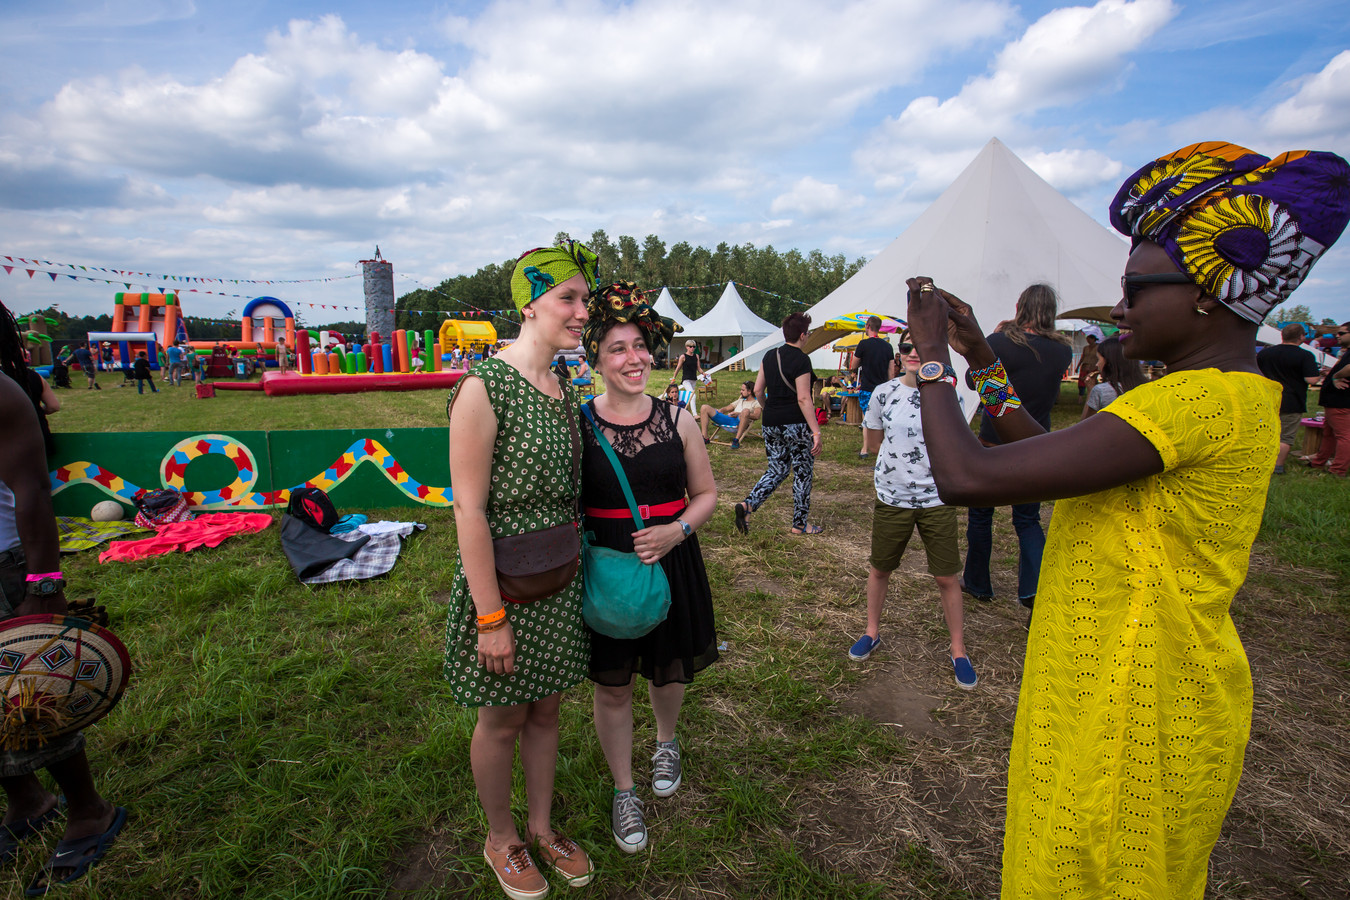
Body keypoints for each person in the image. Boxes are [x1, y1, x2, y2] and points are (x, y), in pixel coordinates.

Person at [904, 141, 1350, 899]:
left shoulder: (1195, 400)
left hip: (1133, 706)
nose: (1118, 309)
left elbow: (966, 475)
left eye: (1136, 289)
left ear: (1207, 294)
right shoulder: (1216, 396)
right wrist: (978, 352)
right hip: (1122, 681)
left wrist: (929, 361)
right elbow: (1046, 453)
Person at [444, 240, 598, 899]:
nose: (582, 312)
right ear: (529, 304)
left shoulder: (561, 386)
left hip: (559, 580)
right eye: (569, 298)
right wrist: (491, 618)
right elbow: (470, 512)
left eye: (585, 299)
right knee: (502, 718)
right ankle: (501, 837)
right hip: (503, 586)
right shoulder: (484, 387)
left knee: (547, 711)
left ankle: (541, 826)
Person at [577, 281, 717, 855]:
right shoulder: (577, 426)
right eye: (617, 348)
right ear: (597, 358)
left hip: (672, 560)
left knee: (669, 669)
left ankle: (665, 742)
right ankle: (624, 788)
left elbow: (706, 494)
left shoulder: (679, 419)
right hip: (608, 566)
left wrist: (677, 529)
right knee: (612, 685)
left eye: (639, 345)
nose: (633, 358)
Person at [0, 301, 125, 894]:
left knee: (36, 693)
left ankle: (86, 809)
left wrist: (40, 587)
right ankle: (25, 800)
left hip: (8, 566)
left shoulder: (3, 392)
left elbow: (32, 494)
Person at [848, 336, 975, 687]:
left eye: (920, 345)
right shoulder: (883, 393)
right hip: (893, 496)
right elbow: (873, 442)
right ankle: (872, 632)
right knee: (880, 568)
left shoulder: (947, 392)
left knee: (947, 576)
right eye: (906, 348)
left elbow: (958, 439)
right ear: (898, 355)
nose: (914, 353)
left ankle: (958, 649)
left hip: (937, 498)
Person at [959, 283, 1073, 612]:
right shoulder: (1062, 350)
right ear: (1051, 310)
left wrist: (993, 340)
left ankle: (978, 582)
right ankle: (1033, 589)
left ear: (1020, 305)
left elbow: (974, 381)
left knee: (981, 517)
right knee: (1027, 520)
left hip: (994, 440)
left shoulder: (1000, 342)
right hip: (1036, 442)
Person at [734, 312, 823, 536]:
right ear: (802, 335)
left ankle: (748, 505)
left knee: (777, 468)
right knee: (802, 472)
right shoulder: (802, 359)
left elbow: (757, 391)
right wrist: (816, 431)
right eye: (808, 333)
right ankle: (800, 524)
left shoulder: (769, 356)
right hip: (795, 423)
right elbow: (804, 398)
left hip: (771, 422)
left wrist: (768, 409)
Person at [1257, 324, 1321, 473]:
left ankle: (1260, 461)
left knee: (1264, 432)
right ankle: (1277, 466)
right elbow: (1311, 380)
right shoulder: (1305, 355)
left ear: (1282, 336)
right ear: (1301, 337)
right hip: (1291, 400)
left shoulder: (1265, 353)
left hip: (1266, 398)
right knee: (1285, 436)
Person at [1304, 321, 1350, 477]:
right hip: (1334, 401)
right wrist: (1331, 373)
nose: (1338, 336)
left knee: (1344, 436)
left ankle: (1338, 470)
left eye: (1342, 333)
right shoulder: (1347, 352)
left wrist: (1336, 376)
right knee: (1328, 434)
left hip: (1341, 401)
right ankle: (1319, 462)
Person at [848, 316, 895, 458]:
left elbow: (853, 365)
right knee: (882, 418)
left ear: (868, 326)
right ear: (879, 327)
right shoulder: (888, 346)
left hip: (867, 387)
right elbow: (891, 371)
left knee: (867, 417)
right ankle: (882, 447)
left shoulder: (863, 344)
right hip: (884, 388)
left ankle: (865, 449)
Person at [1079, 335, 1144, 420]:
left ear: (1109, 363)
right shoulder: (1146, 387)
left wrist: (1090, 392)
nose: (1097, 364)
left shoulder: (1101, 390)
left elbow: (1085, 424)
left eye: (1099, 360)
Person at [698, 380, 760, 448]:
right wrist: (721, 410)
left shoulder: (756, 403)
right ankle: (705, 438)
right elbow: (727, 408)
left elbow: (757, 416)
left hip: (740, 423)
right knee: (704, 407)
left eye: (742, 390)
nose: (740, 392)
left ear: (749, 391)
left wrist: (739, 414)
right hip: (729, 419)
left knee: (745, 411)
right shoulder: (740, 400)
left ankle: (736, 440)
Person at [1075, 328, 1101, 398]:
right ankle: (1081, 395)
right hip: (1084, 366)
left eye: (1089, 339)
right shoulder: (1085, 348)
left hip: (1093, 366)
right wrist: (1077, 366)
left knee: (1092, 380)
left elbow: (1100, 358)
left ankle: (1094, 395)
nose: (1088, 341)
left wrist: (1097, 367)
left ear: (1093, 339)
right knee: (1082, 381)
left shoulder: (1098, 348)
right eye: (1087, 339)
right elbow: (1082, 357)